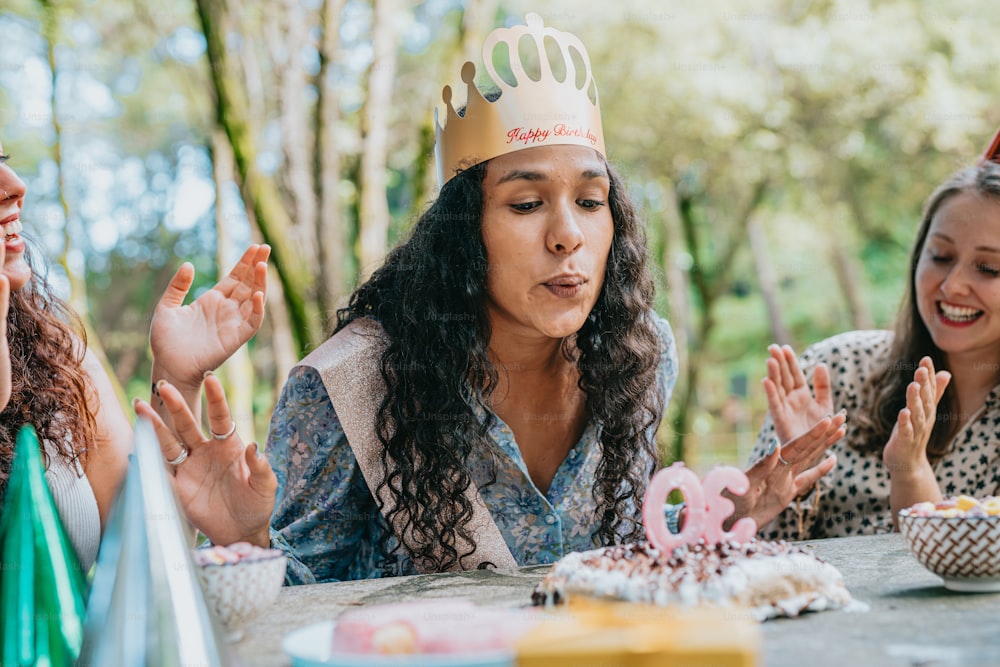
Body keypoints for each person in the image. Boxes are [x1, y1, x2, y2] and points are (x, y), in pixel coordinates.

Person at [136, 13, 842, 583]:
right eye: (527, 202)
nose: (568, 235)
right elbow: (295, 608)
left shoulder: (641, 352)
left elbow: (625, 567)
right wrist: (248, 539)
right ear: (462, 232)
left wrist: (745, 505)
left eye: (591, 201)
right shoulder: (347, 386)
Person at [0, 139, 269, 571]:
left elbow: (142, 561)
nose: (15, 185)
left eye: (2, 160)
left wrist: (177, 379)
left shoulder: (55, 356)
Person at [736, 130, 1000, 540]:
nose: (952, 286)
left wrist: (909, 470)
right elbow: (740, 550)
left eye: (988, 268)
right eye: (941, 257)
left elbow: (954, 578)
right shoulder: (837, 369)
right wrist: (797, 466)